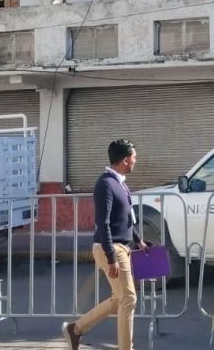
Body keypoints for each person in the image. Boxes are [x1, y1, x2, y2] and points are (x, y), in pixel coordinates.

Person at [63, 139, 148, 350]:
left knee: (119, 299)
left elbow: (126, 218)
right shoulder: (105, 184)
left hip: (123, 247)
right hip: (110, 248)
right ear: (125, 160)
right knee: (129, 299)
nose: (136, 161)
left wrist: (138, 240)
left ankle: (76, 329)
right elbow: (103, 222)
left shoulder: (120, 183)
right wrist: (111, 256)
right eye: (134, 157)